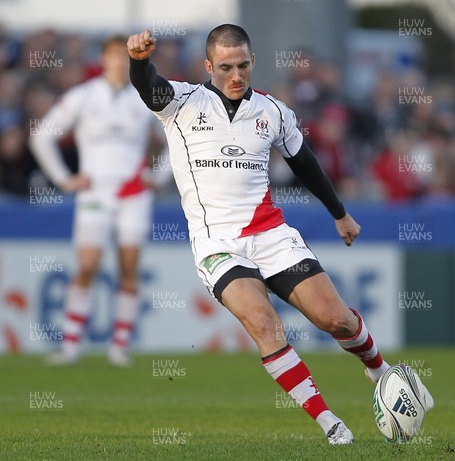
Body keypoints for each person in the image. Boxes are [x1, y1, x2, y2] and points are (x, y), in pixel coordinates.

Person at [127, 25, 434, 445]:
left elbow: (304, 163)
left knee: (336, 318)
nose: (235, 76)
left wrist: (340, 214)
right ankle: (331, 424)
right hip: (217, 244)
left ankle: (379, 370)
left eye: (242, 66)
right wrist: (140, 62)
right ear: (208, 67)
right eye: (225, 68)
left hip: (271, 235)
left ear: (252, 62)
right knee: (264, 324)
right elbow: (148, 88)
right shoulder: (182, 102)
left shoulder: (273, 112)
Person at [29, 36, 169, 366]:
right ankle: (71, 345)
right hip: (94, 192)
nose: (120, 63)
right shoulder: (84, 95)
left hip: (133, 193)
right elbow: (41, 136)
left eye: (126, 57)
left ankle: (120, 346)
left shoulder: (143, 96)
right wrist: (64, 179)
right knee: (88, 265)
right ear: (104, 60)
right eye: (114, 57)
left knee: (129, 267)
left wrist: (158, 177)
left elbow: (175, 139)